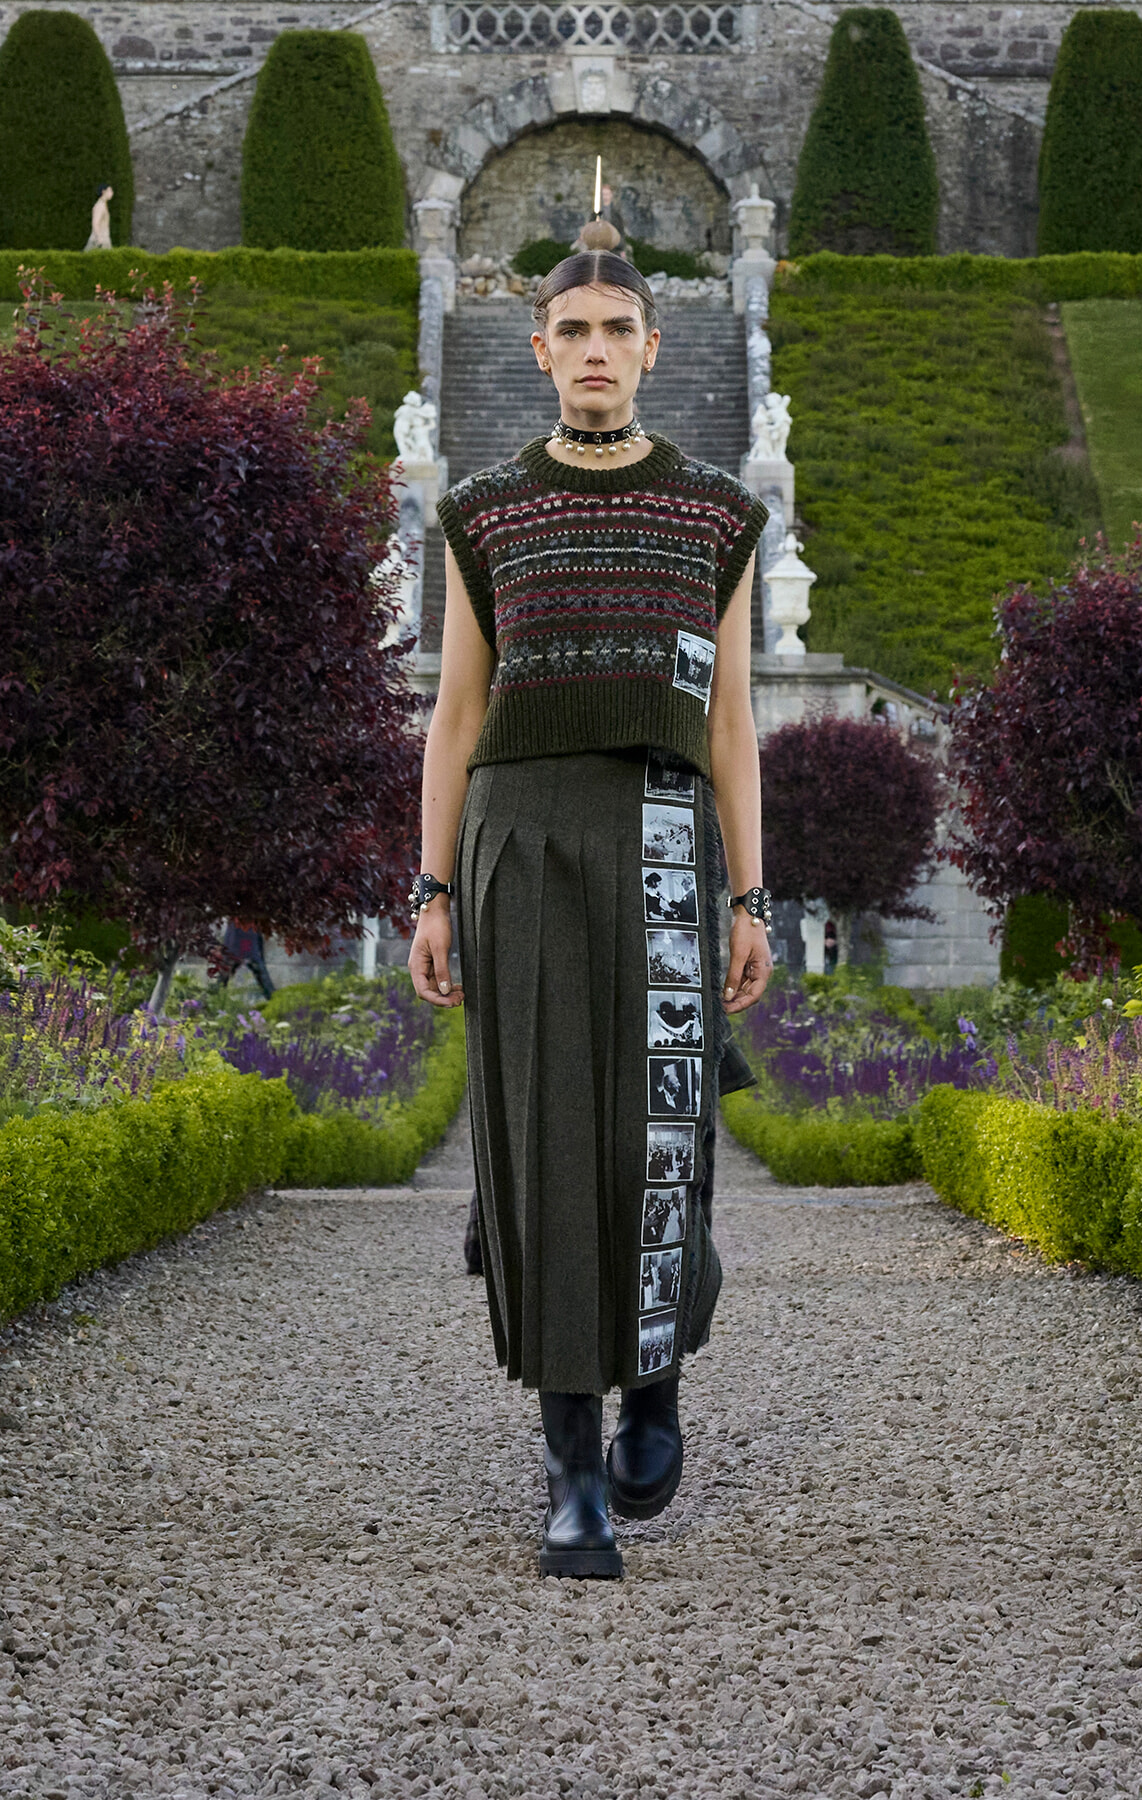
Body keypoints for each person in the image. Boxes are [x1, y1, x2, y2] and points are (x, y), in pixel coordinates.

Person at [410, 249, 772, 1579]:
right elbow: (454, 715)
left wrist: (754, 893)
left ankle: (658, 1375)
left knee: (661, 1132)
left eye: (621, 328)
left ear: (656, 346)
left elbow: (733, 722)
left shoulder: (719, 512)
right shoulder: (485, 510)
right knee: (547, 1145)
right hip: (523, 837)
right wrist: (434, 886)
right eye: (574, 330)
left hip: (672, 836)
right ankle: (571, 1475)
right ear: (540, 348)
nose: (599, 349)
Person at [85, 184, 113, 251]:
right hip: (99, 240)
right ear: (103, 192)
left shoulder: (103, 204)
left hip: (104, 239)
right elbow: (95, 223)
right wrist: (99, 238)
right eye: (110, 191)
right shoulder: (100, 206)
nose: (112, 193)